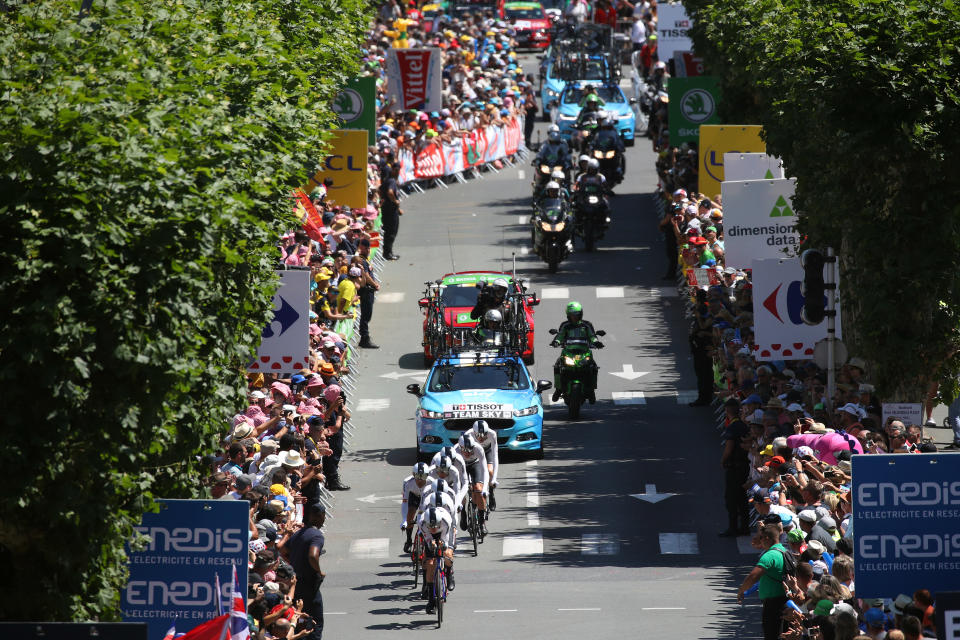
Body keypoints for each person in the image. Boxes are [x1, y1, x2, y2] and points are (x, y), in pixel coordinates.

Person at [737, 524, 789, 640]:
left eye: (761, 538)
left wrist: (741, 590)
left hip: (773, 604)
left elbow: (753, 576)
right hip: (785, 600)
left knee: (771, 635)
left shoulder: (769, 556)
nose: (759, 541)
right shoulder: (783, 551)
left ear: (766, 538)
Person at [285, 501, 327, 640]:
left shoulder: (298, 534)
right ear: (320, 516)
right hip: (309, 585)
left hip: (296, 584)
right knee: (314, 622)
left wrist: (293, 564)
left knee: (299, 620)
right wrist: (319, 571)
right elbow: (312, 555)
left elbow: (283, 550)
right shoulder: (316, 536)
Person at [550, 301, 604, 403]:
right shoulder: (565, 325)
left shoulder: (587, 325)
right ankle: (558, 389)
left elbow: (592, 336)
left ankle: (591, 390)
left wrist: (597, 342)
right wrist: (556, 342)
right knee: (557, 365)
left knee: (593, 366)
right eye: (572, 315)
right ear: (568, 315)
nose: (574, 317)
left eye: (576, 315)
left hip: (584, 352)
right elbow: (560, 335)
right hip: (568, 352)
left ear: (581, 314)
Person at [418, 506, 455, 614]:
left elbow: (445, 541)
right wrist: (431, 542)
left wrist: (442, 544)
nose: (433, 528)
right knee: (430, 563)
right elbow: (428, 538)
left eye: (435, 526)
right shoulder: (422, 523)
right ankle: (431, 600)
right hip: (429, 535)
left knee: (447, 553)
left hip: (444, 532)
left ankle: (449, 573)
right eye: (431, 526)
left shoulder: (445, 521)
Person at [456, 432, 489, 534]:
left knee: (478, 489)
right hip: (461, 467)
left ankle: (482, 522)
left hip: (475, 464)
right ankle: (463, 514)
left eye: (470, 449)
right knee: (461, 492)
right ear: (460, 447)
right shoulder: (455, 450)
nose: (467, 452)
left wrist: (484, 489)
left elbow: (485, 470)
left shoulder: (478, 448)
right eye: (465, 450)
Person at [355, 238, 380, 349]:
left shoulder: (365, 259)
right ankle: (364, 338)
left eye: (369, 248)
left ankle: (364, 338)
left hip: (369, 291)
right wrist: (375, 284)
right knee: (366, 315)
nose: (369, 250)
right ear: (361, 248)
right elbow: (366, 275)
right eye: (366, 248)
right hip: (366, 290)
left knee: (368, 314)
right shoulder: (361, 260)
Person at [400, 462, 430, 553]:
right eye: (417, 477)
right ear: (413, 475)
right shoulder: (407, 482)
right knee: (410, 514)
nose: (420, 480)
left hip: (427, 498)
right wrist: (405, 519)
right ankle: (409, 540)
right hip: (414, 496)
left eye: (423, 477)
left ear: (427, 476)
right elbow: (405, 502)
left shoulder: (432, 482)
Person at [470, 420, 499, 510]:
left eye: (484, 435)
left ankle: (491, 492)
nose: (481, 438)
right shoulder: (468, 434)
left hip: (487, 451)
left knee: (489, 470)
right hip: (474, 453)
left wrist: (494, 478)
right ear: (474, 432)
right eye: (478, 435)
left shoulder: (492, 434)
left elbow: (495, 455)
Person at [379, 163, 402, 260]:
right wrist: (395, 201)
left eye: (398, 170)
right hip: (390, 210)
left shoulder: (387, 180)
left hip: (389, 209)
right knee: (391, 231)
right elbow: (390, 192)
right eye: (396, 170)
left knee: (389, 231)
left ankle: (388, 252)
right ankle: (388, 253)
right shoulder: (391, 181)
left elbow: (380, 191)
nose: (397, 172)